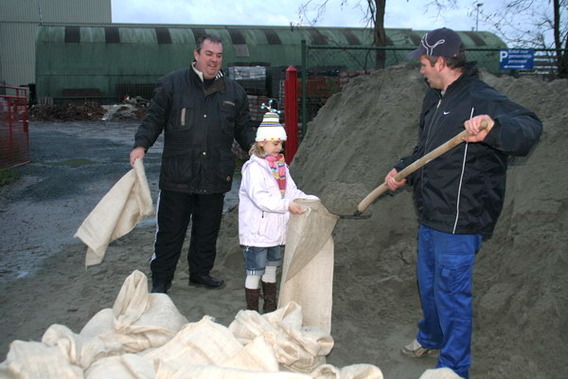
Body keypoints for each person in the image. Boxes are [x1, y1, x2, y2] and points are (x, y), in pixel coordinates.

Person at [385, 28, 542, 378]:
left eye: (424, 64)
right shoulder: (435, 97)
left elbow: (530, 127)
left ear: (441, 62)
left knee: (452, 294)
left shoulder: (481, 98)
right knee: (428, 285)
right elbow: (424, 150)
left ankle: (454, 367)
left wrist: (494, 127)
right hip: (430, 211)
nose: (420, 70)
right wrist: (402, 168)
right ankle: (432, 336)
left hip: (460, 217)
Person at [129, 34, 256, 293]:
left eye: (219, 56)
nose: (214, 60)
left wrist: (257, 150)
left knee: (207, 231)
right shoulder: (172, 85)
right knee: (169, 232)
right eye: (209, 54)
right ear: (197, 54)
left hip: (215, 175)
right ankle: (162, 280)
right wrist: (141, 145)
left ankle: (200, 274)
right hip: (179, 175)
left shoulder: (234, 92)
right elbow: (153, 119)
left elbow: (243, 129)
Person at [238, 111, 318, 313]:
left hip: (275, 231)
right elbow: (260, 199)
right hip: (257, 233)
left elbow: (291, 191)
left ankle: (270, 307)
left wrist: (309, 200)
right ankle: (252, 311)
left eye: (281, 143)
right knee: (255, 271)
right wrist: (287, 206)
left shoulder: (281, 167)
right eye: (275, 143)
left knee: (272, 268)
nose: (279, 148)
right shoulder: (253, 169)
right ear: (262, 143)